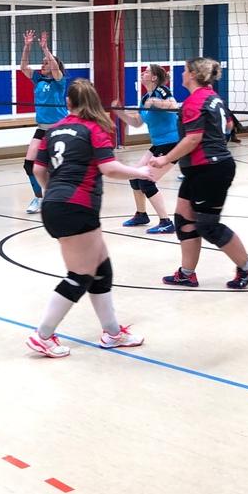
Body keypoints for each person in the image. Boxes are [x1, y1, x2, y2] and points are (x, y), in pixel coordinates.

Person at [25, 78, 156, 358]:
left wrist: (54, 194)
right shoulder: (94, 130)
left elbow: (37, 170)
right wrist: (140, 172)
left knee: (101, 270)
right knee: (79, 276)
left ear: (68, 103)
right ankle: (42, 335)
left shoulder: (54, 130)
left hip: (58, 205)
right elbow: (108, 168)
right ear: (93, 101)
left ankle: (112, 333)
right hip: (77, 207)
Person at [149, 57, 248, 289]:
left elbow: (193, 138)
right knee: (183, 217)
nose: (181, 74)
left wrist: (165, 159)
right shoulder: (213, 98)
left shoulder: (195, 101)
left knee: (208, 225)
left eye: (183, 71)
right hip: (201, 168)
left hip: (210, 169)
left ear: (192, 74)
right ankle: (187, 273)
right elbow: (229, 126)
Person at [112, 64, 179, 234]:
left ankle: (166, 222)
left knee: (146, 181)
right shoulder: (144, 98)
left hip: (172, 143)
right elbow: (137, 123)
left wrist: (156, 102)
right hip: (158, 144)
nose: (143, 73)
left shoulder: (161, 91)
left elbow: (173, 105)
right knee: (134, 176)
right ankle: (141, 215)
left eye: (147, 71)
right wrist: (120, 113)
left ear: (154, 78)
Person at [20, 29, 68, 214]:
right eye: (43, 62)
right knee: (29, 164)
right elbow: (24, 67)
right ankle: (39, 198)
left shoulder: (59, 81)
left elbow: (55, 68)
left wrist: (46, 49)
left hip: (60, 128)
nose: (43, 64)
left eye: (46, 62)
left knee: (59, 164)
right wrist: (27, 46)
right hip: (42, 128)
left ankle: (65, 196)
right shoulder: (38, 78)